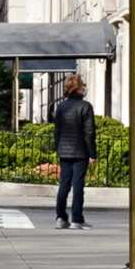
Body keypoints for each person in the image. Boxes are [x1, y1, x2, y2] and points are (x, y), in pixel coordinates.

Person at [51, 73, 97, 229]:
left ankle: (60, 217)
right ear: (80, 88)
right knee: (78, 186)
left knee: (64, 185)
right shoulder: (85, 107)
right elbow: (89, 132)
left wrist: (58, 148)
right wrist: (92, 154)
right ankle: (77, 219)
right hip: (80, 151)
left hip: (64, 150)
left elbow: (56, 131)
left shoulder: (61, 107)